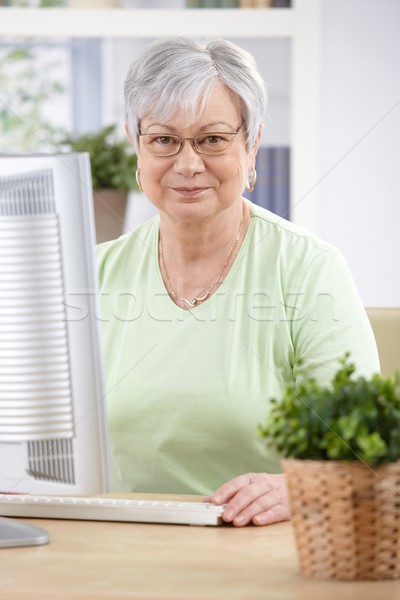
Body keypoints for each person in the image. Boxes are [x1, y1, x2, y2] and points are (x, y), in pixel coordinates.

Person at [96, 37, 380, 527]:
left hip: (261, 548)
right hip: (117, 545)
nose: (188, 164)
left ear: (252, 145)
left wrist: (301, 488)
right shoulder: (93, 272)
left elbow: (367, 453)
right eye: (164, 139)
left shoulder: (310, 269)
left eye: (213, 139)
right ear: (135, 144)